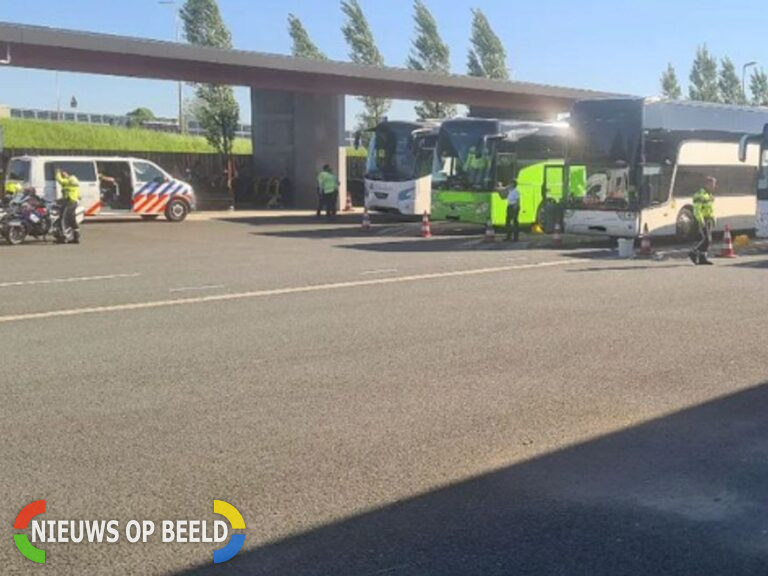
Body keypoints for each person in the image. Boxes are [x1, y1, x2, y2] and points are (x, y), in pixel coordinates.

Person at [689, 176, 717, 265]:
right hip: (702, 219)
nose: (714, 186)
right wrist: (701, 221)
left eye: (714, 184)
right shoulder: (700, 195)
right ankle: (693, 252)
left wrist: (713, 218)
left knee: (708, 239)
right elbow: (697, 210)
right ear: (707, 184)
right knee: (707, 239)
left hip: (708, 219)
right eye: (712, 184)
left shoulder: (709, 195)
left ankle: (702, 258)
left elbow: (710, 208)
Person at [56, 169, 81, 244]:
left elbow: (60, 181)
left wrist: (57, 173)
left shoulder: (71, 180)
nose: (64, 176)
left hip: (70, 202)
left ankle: (65, 237)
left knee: (65, 220)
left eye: (64, 174)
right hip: (71, 202)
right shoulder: (70, 182)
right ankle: (76, 237)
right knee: (72, 220)